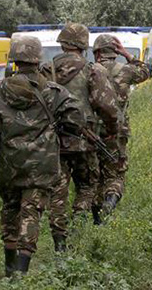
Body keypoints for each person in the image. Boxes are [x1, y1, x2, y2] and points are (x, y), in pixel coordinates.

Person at [0, 35, 85, 276]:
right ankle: (21, 271)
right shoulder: (53, 92)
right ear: (38, 59)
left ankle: (9, 270)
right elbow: (77, 119)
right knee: (31, 214)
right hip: (41, 167)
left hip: (9, 166)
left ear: (14, 60)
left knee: (10, 211)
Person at [42, 23, 120, 250]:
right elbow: (107, 106)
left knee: (58, 191)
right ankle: (78, 226)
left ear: (62, 43)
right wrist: (111, 130)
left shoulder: (46, 70)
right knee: (87, 186)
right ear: (84, 45)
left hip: (54, 142)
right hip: (85, 142)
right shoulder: (93, 70)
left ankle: (59, 242)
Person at [91, 34, 150, 217]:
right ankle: (110, 201)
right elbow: (146, 71)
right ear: (115, 52)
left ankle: (95, 216)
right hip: (117, 132)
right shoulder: (125, 71)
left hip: (92, 132)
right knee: (116, 174)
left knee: (95, 175)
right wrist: (128, 54)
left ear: (97, 52)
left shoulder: (90, 71)